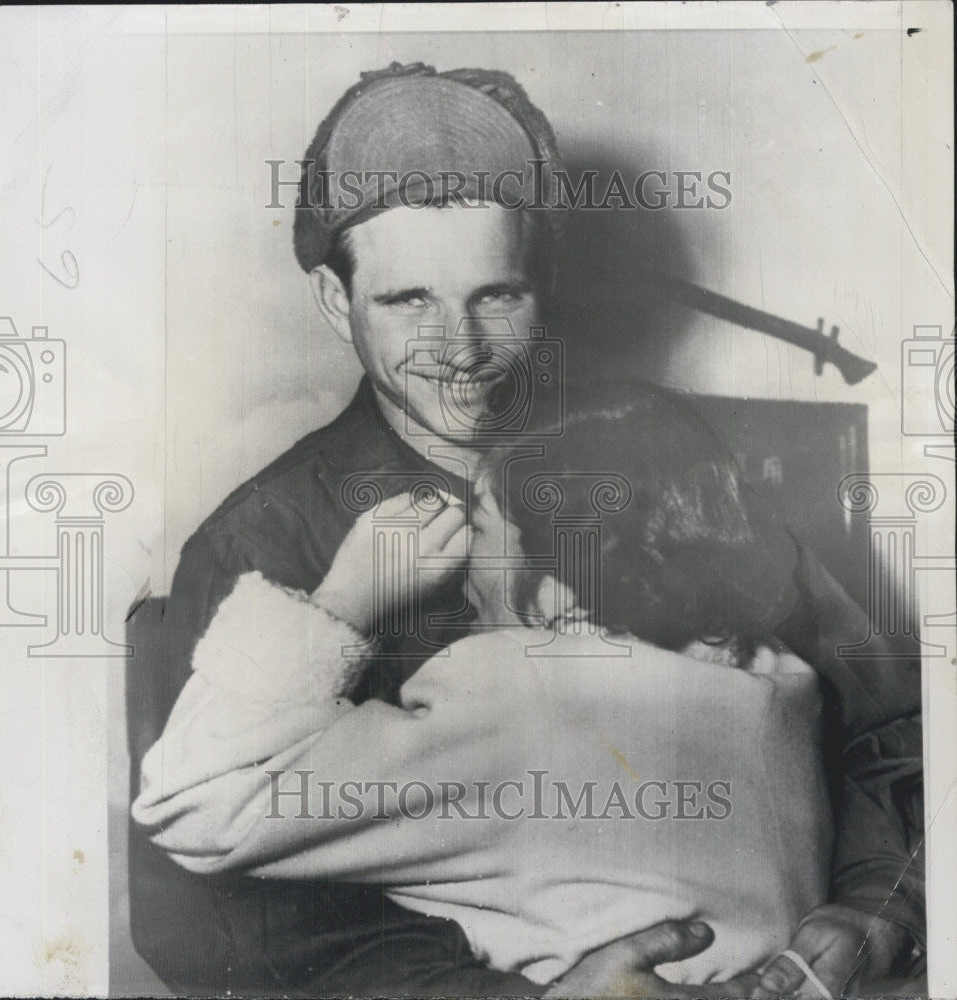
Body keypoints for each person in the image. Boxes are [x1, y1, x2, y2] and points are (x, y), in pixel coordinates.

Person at [130, 62, 923, 997]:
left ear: (539, 285)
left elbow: (890, 733)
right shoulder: (263, 542)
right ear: (336, 303)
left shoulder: (665, 451)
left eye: (495, 294)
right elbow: (203, 917)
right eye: (408, 300)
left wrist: (881, 911)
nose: (461, 349)